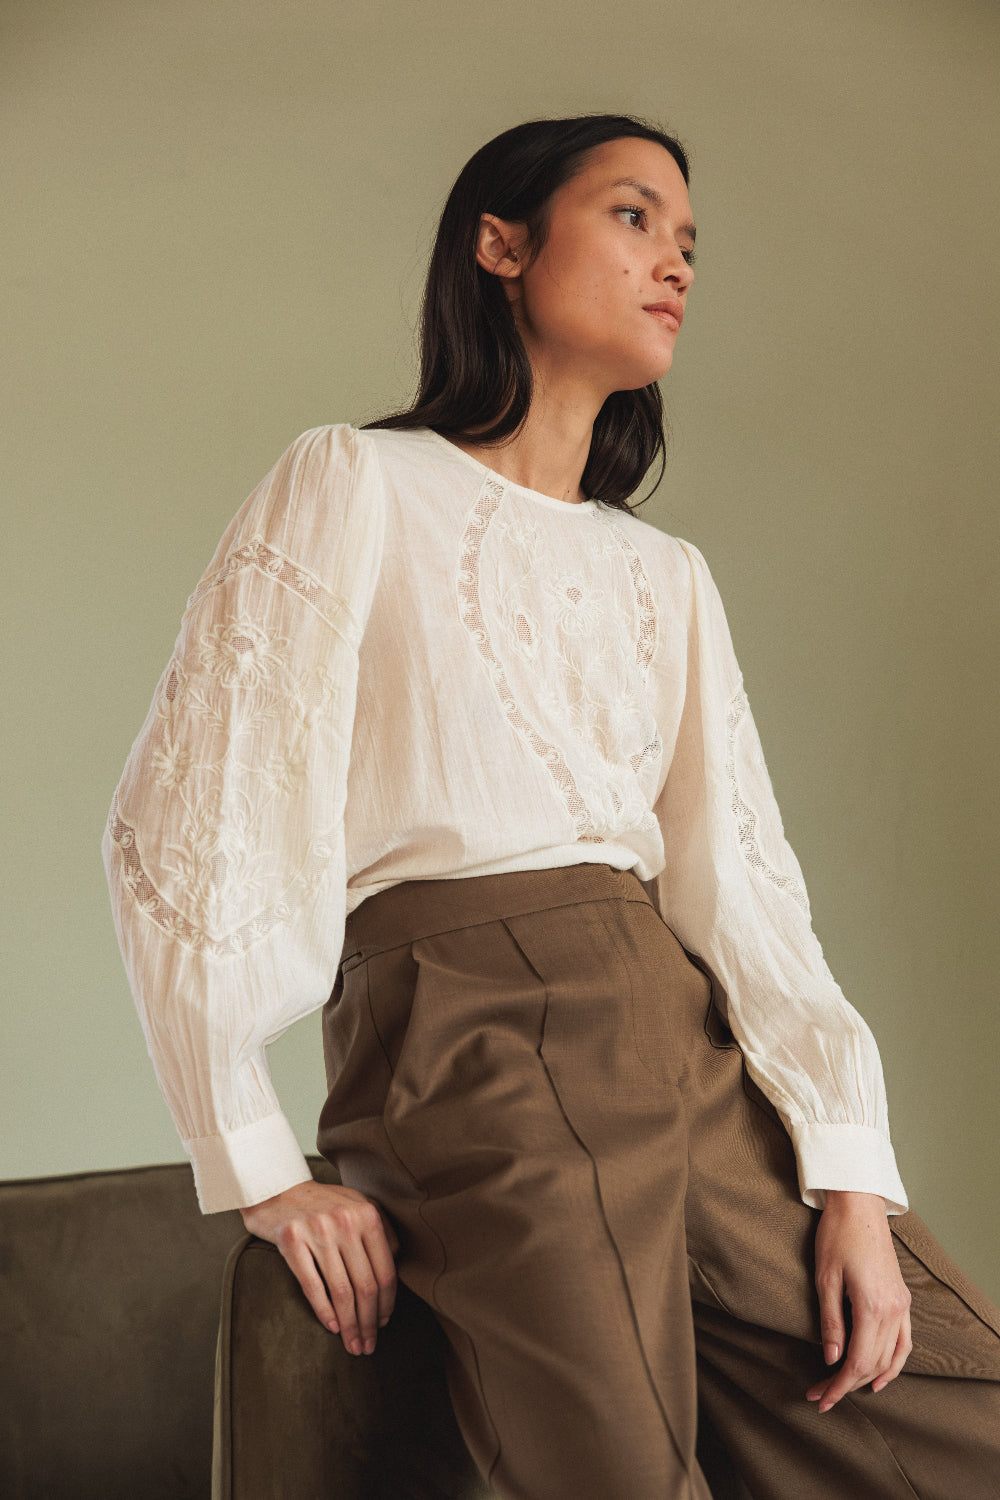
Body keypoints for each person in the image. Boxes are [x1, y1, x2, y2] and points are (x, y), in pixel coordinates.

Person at [102, 113, 1000, 1499]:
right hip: (469, 1038)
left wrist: (850, 1173)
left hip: (684, 1034)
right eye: (634, 217)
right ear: (502, 245)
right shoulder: (356, 481)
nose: (676, 263)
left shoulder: (666, 574)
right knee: (613, 1472)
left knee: (946, 1412)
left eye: (689, 241)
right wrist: (259, 1163)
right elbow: (196, 805)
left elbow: (744, 886)